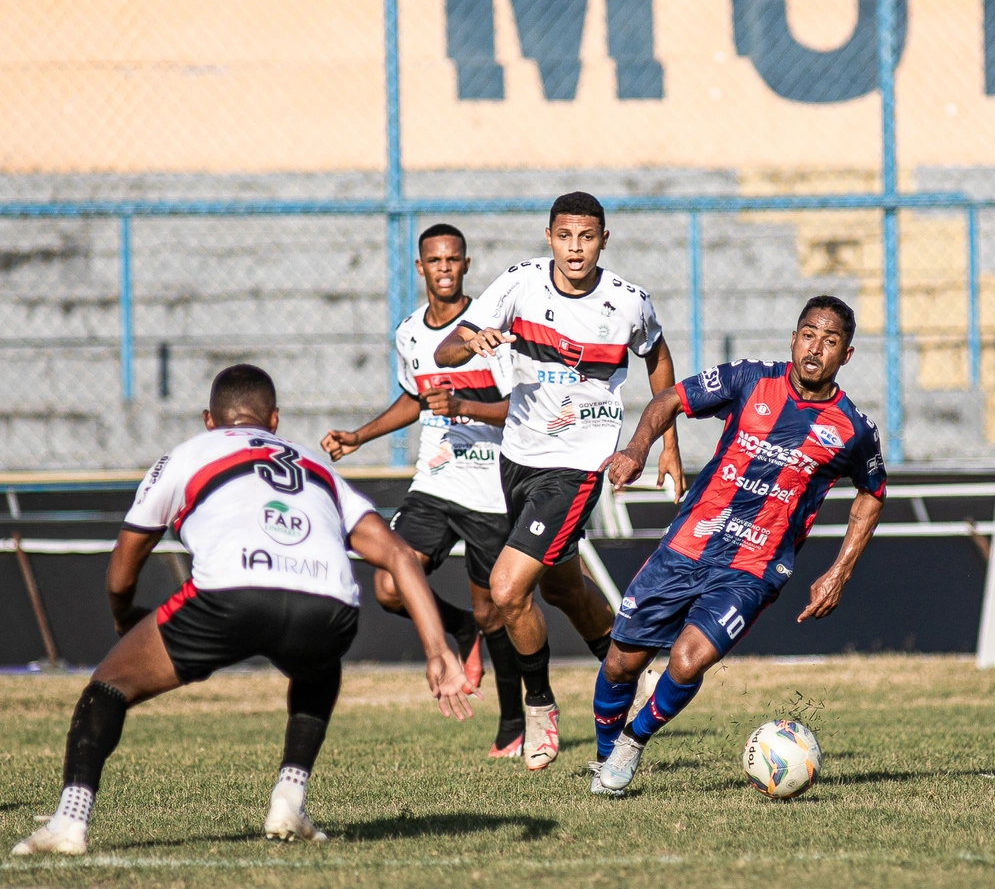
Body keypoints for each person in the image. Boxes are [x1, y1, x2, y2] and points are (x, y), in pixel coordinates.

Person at [12, 365, 473, 856]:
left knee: (107, 687)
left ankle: (70, 822)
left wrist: (125, 617)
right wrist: (436, 648)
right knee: (320, 669)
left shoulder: (188, 453)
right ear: (273, 420)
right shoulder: (316, 466)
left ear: (210, 420)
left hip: (231, 592)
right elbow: (400, 556)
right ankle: (289, 798)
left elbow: (124, 564)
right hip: (330, 602)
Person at [588, 296, 886, 795]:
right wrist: (639, 448)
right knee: (621, 662)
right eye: (809, 335)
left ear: (847, 355)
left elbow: (872, 494)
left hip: (754, 566)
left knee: (687, 660)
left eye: (831, 341)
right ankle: (603, 758)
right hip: (687, 545)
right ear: (793, 338)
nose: (816, 349)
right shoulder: (749, 379)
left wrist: (840, 572)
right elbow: (669, 400)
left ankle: (632, 744)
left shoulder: (853, 430)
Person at [434, 191, 685, 771]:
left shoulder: (627, 302)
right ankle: (631, 670)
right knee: (561, 588)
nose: (576, 249)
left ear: (603, 240)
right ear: (549, 237)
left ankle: (540, 707)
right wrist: (472, 340)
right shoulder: (520, 283)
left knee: (507, 589)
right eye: (565, 236)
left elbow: (659, 358)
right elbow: (450, 347)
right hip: (517, 457)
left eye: (587, 237)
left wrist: (668, 444)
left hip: (576, 466)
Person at [322, 223, 525, 758]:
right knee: (390, 584)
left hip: (489, 490)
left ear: (465, 264)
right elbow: (414, 398)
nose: (443, 268)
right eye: (434, 260)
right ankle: (456, 630)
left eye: (453, 260)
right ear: (420, 267)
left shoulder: (490, 332)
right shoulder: (410, 333)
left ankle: (511, 722)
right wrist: (359, 436)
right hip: (434, 483)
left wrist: (463, 406)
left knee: (494, 611)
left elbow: (520, 411)